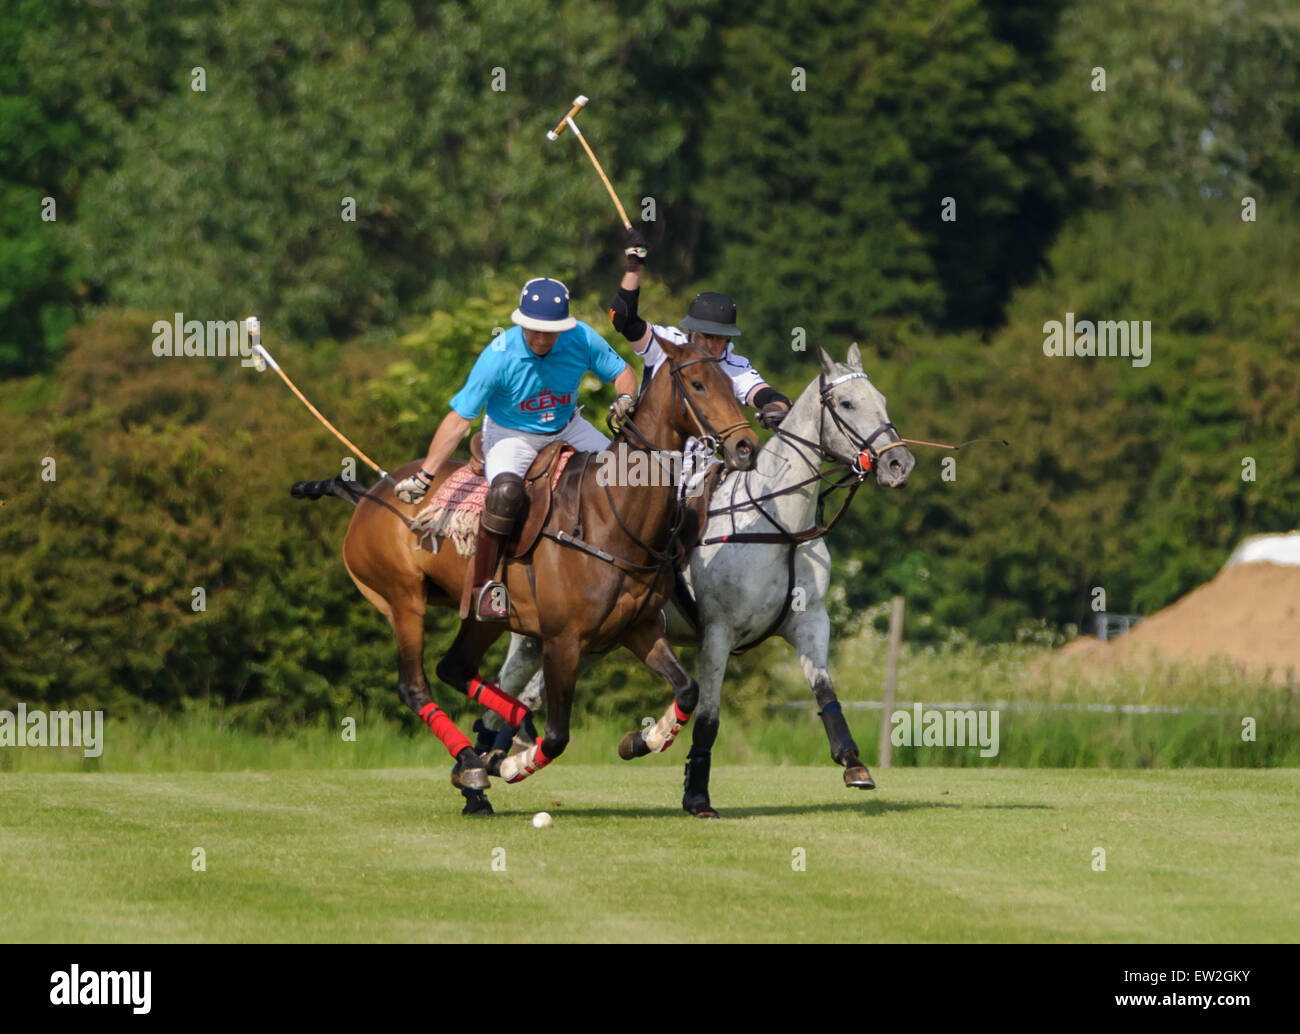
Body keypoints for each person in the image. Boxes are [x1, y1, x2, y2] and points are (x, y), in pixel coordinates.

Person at [394, 276, 639, 620]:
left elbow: (622, 371)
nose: (539, 338)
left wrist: (626, 397)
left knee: (631, 472)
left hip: (568, 425)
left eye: (548, 331)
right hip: (511, 434)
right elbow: (459, 419)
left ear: (563, 327)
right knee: (506, 493)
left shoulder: (581, 337)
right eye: (531, 329)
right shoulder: (498, 356)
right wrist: (425, 474)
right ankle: (484, 587)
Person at [608, 228, 792, 430]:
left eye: (720, 338)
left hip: (702, 459)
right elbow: (623, 319)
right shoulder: (667, 344)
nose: (712, 345)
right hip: (648, 450)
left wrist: (777, 407)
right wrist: (635, 267)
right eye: (707, 336)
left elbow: (767, 395)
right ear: (692, 331)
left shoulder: (734, 367)